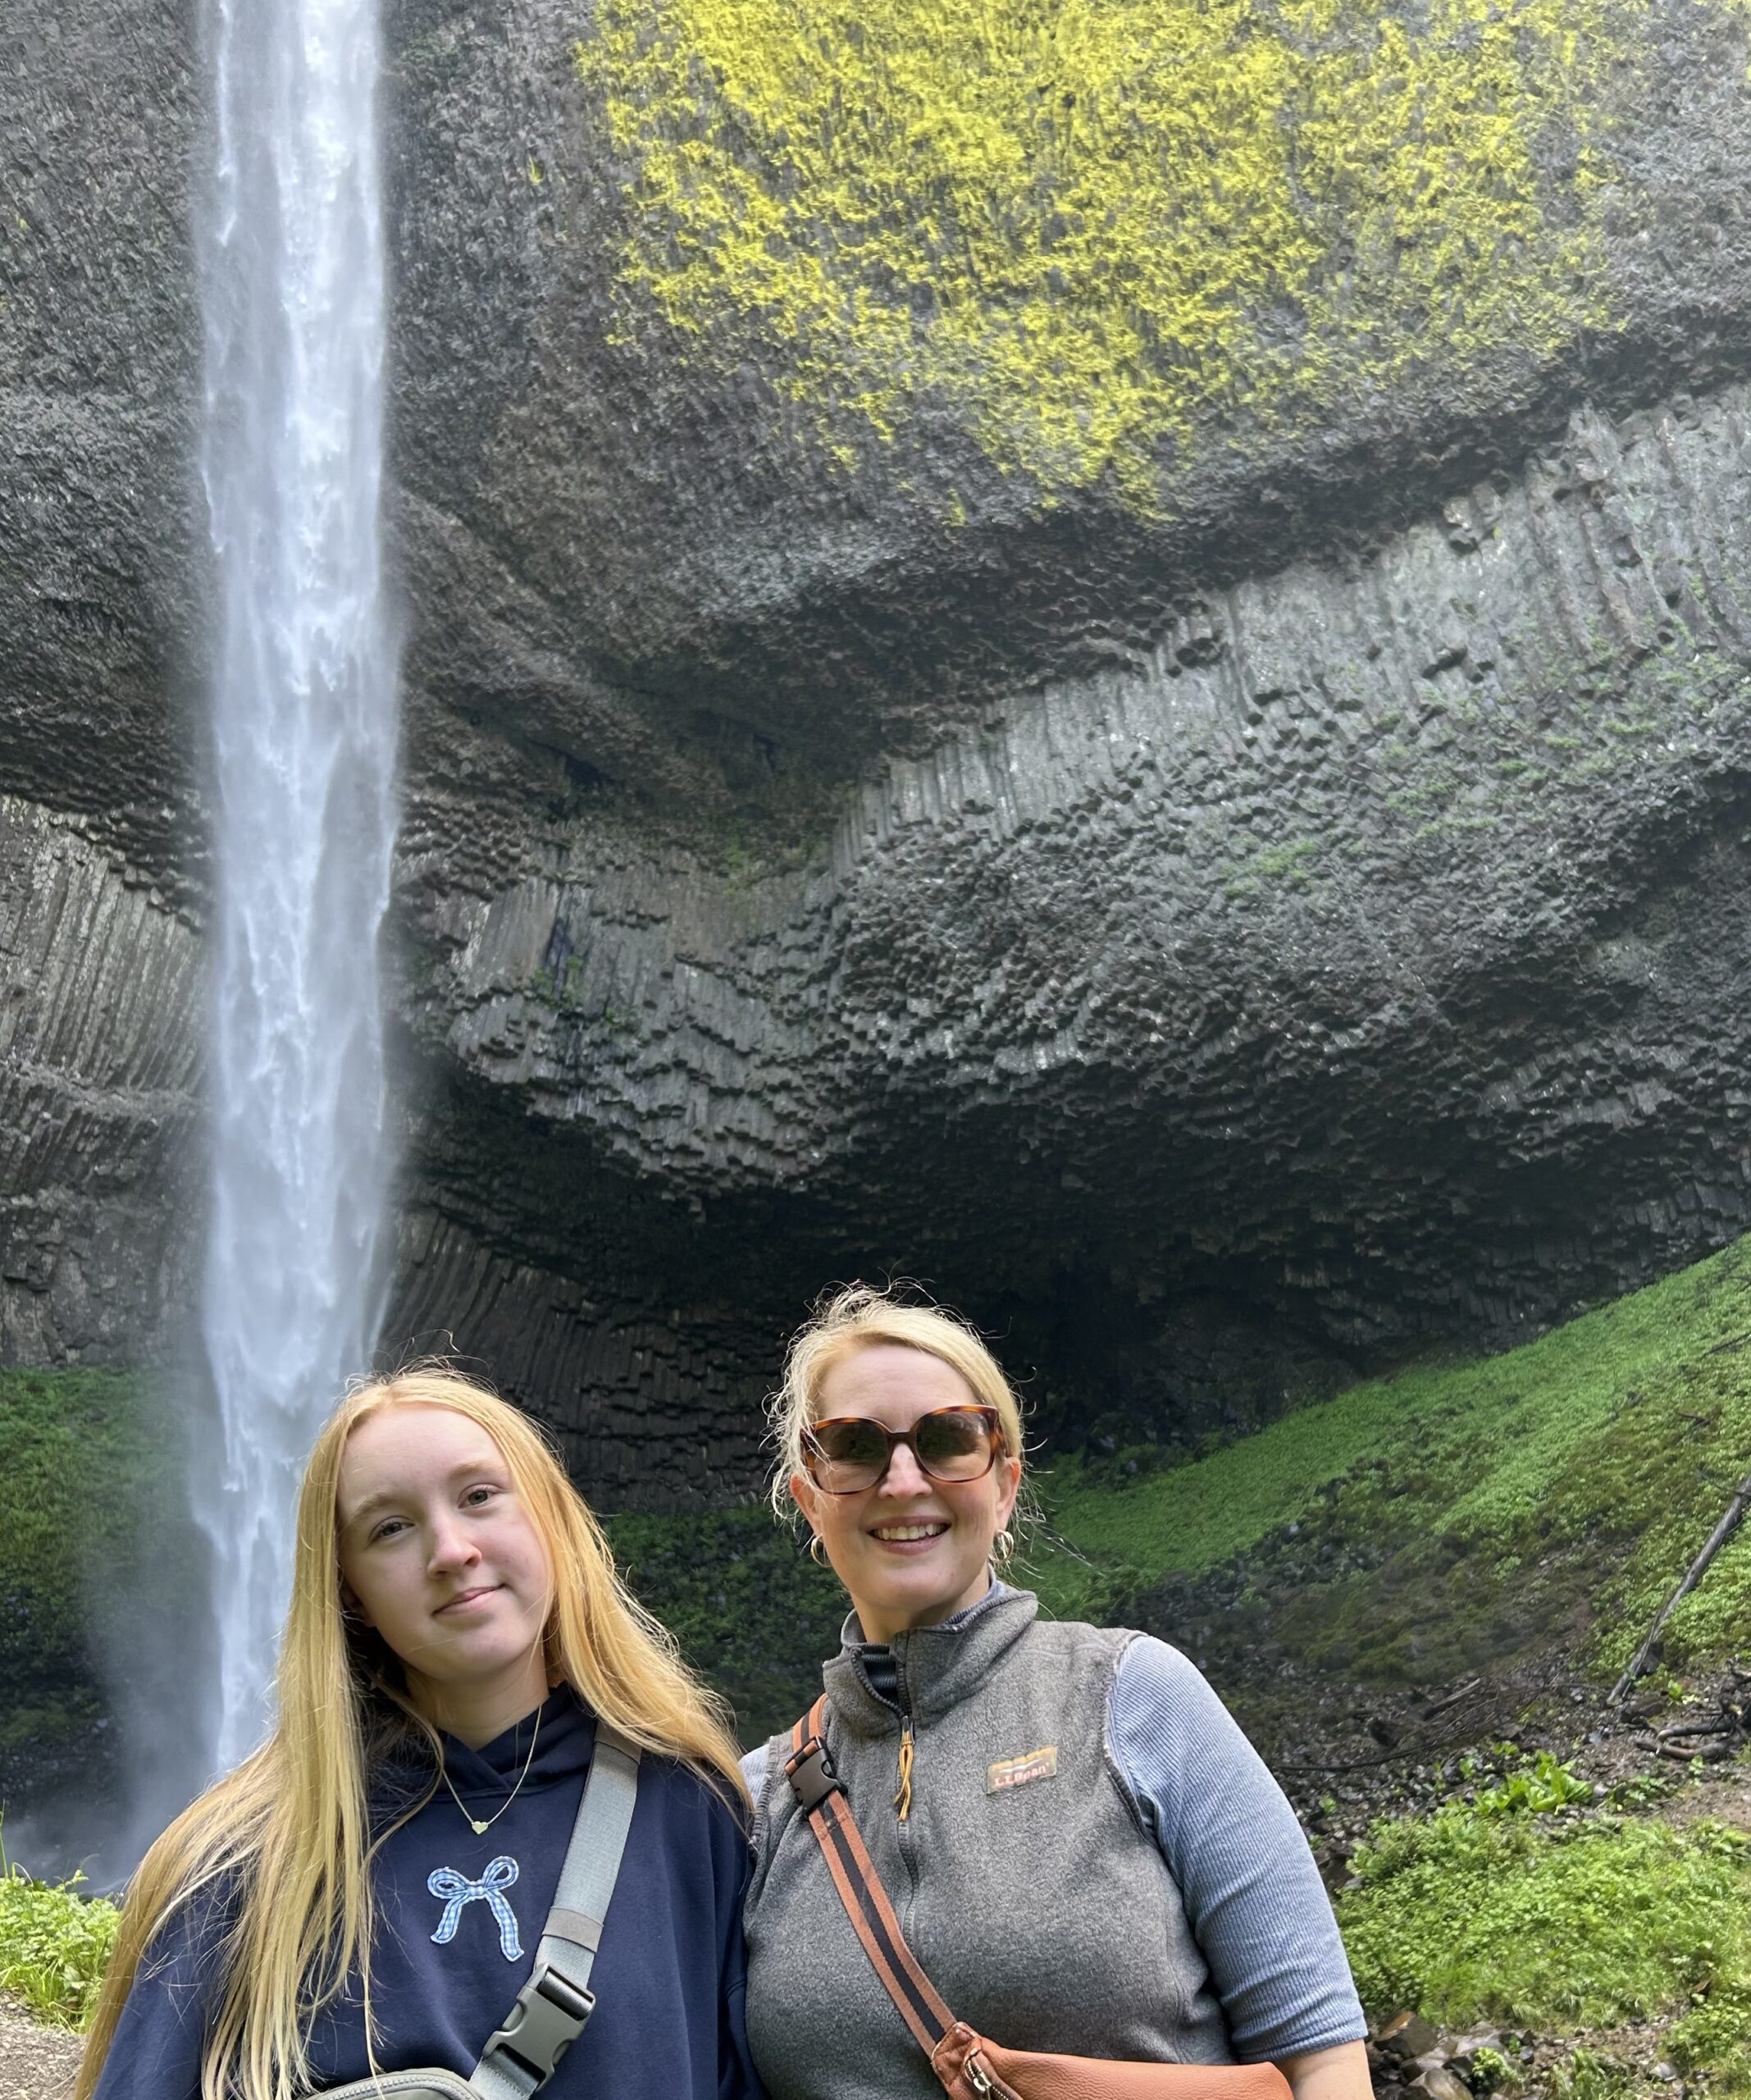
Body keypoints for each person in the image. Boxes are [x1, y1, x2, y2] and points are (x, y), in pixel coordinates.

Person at [741, 1286, 1372, 2100]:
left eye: (945, 1437)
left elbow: (1317, 2056)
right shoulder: (758, 1802)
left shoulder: (1132, 1695)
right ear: (810, 1501)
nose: (902, 1479)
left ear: (1003, 1484)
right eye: (854, 1445)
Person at [80, 1366, 764, 2100]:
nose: (450, 1550)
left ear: (551, 1519)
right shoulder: (243, 1864)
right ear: (352, 1596)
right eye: (391, 1528)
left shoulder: (691, 1813)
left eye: (479, 1496)